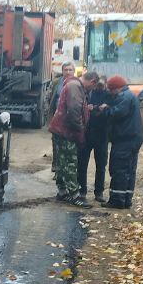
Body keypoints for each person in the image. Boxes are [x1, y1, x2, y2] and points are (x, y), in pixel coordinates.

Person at [49, 70, 97, 208]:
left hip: (60, 130)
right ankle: (75, 195)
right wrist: (81, 132)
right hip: (66, 131)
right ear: (92, 81)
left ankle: (62, 191)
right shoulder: (75, 87)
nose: (91, 89)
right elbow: (74, 112)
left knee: (61, 161)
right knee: (70, 162)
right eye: (93, 86)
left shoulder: (73, 85)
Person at [98, 75, 142, 209]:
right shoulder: (130, 96)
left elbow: (117, 113)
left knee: (119, 169)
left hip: (124, 140)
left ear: (117, 88)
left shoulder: (124, 98)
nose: (110, 93)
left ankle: (117, 200)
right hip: (132, 139)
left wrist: (105, 109)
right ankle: (126, 199)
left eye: (111, 90)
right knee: (129, 170)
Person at [77, 72, 110, 201]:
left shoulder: (108, 95)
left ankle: (99, 192)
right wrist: (92, 109)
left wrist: (94, 108)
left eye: (101, 85)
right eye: (96, 84)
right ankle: (82, 190)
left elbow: (107, 111)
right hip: (88, 132)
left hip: (102, 134)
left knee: (101, 165)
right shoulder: (88, 92)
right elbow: (84, 108)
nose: (98, 87)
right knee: (82, 163)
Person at [49, 61, 75, 174]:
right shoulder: (56, 83)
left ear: (74, 71)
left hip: (70, 120)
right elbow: (49, 97)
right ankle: (56, 167)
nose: (68, 72)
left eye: (70, 70)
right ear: (62, 71)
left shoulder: (78, 83)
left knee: (69, 145)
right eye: (66, 70)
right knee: (56, 143)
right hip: (57, 118)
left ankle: (67, 169)